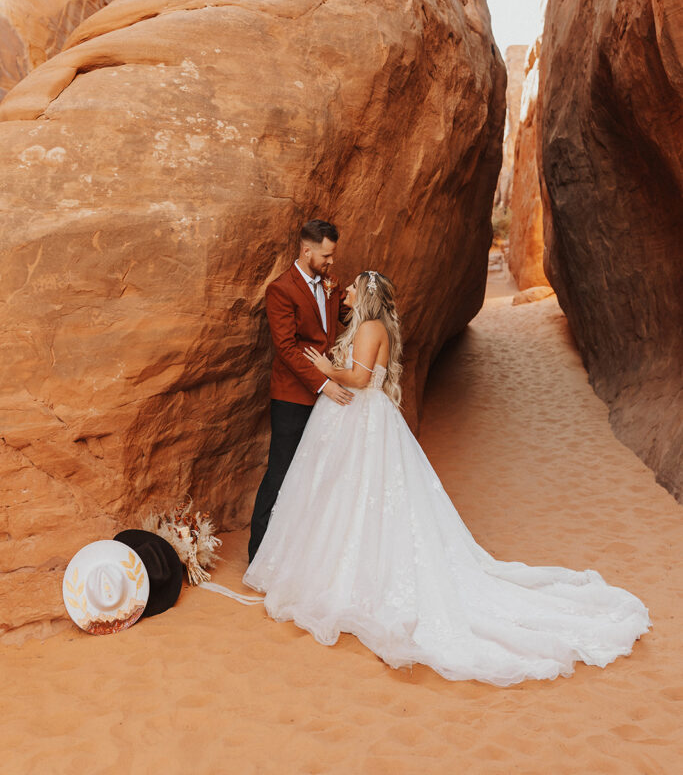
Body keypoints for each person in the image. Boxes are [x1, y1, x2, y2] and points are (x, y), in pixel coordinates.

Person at [243, 270, 651, 685]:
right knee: (353, 496)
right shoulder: (371, 325)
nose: (344, 291)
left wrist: (327, 368)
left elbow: (362, 379)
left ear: (365, 295)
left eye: (351, 287)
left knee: (356, 493)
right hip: (362, 420)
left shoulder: (368, 327)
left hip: (360, 419)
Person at [247, 219, 349, 563]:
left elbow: (342, 321)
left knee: (317, 473)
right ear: (306, 251)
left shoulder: (330, 282)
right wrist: (325, 383)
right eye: (326, 255)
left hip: (326, 395)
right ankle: (258, 555)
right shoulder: (281, 289)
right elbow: (287, 349)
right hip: (292, 397)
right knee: (281, 472)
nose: (331, 261)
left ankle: (301, 556)